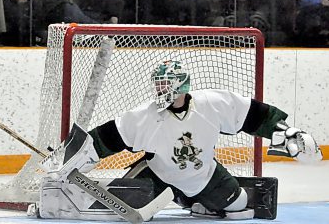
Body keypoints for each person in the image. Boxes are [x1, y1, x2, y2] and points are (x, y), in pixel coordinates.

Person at [41, 60, 322, 220]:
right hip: (157, 174)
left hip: (203, 175)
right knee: (125, 209)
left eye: (166, 84)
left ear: (182, 86)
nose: (161, 89)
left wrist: (288, 134)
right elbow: (105, 139)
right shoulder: (145, 116)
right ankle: (177, 194)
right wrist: (70, 155)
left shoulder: (212, 104)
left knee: (238, 207)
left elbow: (255, 117)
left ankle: (190, 199)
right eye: (158, 84)